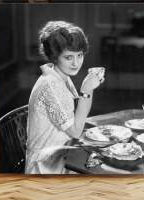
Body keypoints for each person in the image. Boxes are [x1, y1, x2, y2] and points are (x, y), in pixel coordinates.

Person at [25, 21, 105, 174]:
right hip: (45, 166)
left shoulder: (58, 75)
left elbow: (76, 121)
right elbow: (75, 131)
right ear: (55, 57)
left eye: (79, 55)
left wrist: (89, 90)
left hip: (62, 153)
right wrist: (87, 90)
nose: (76, 63)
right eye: (68, 57)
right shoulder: (51, 85)